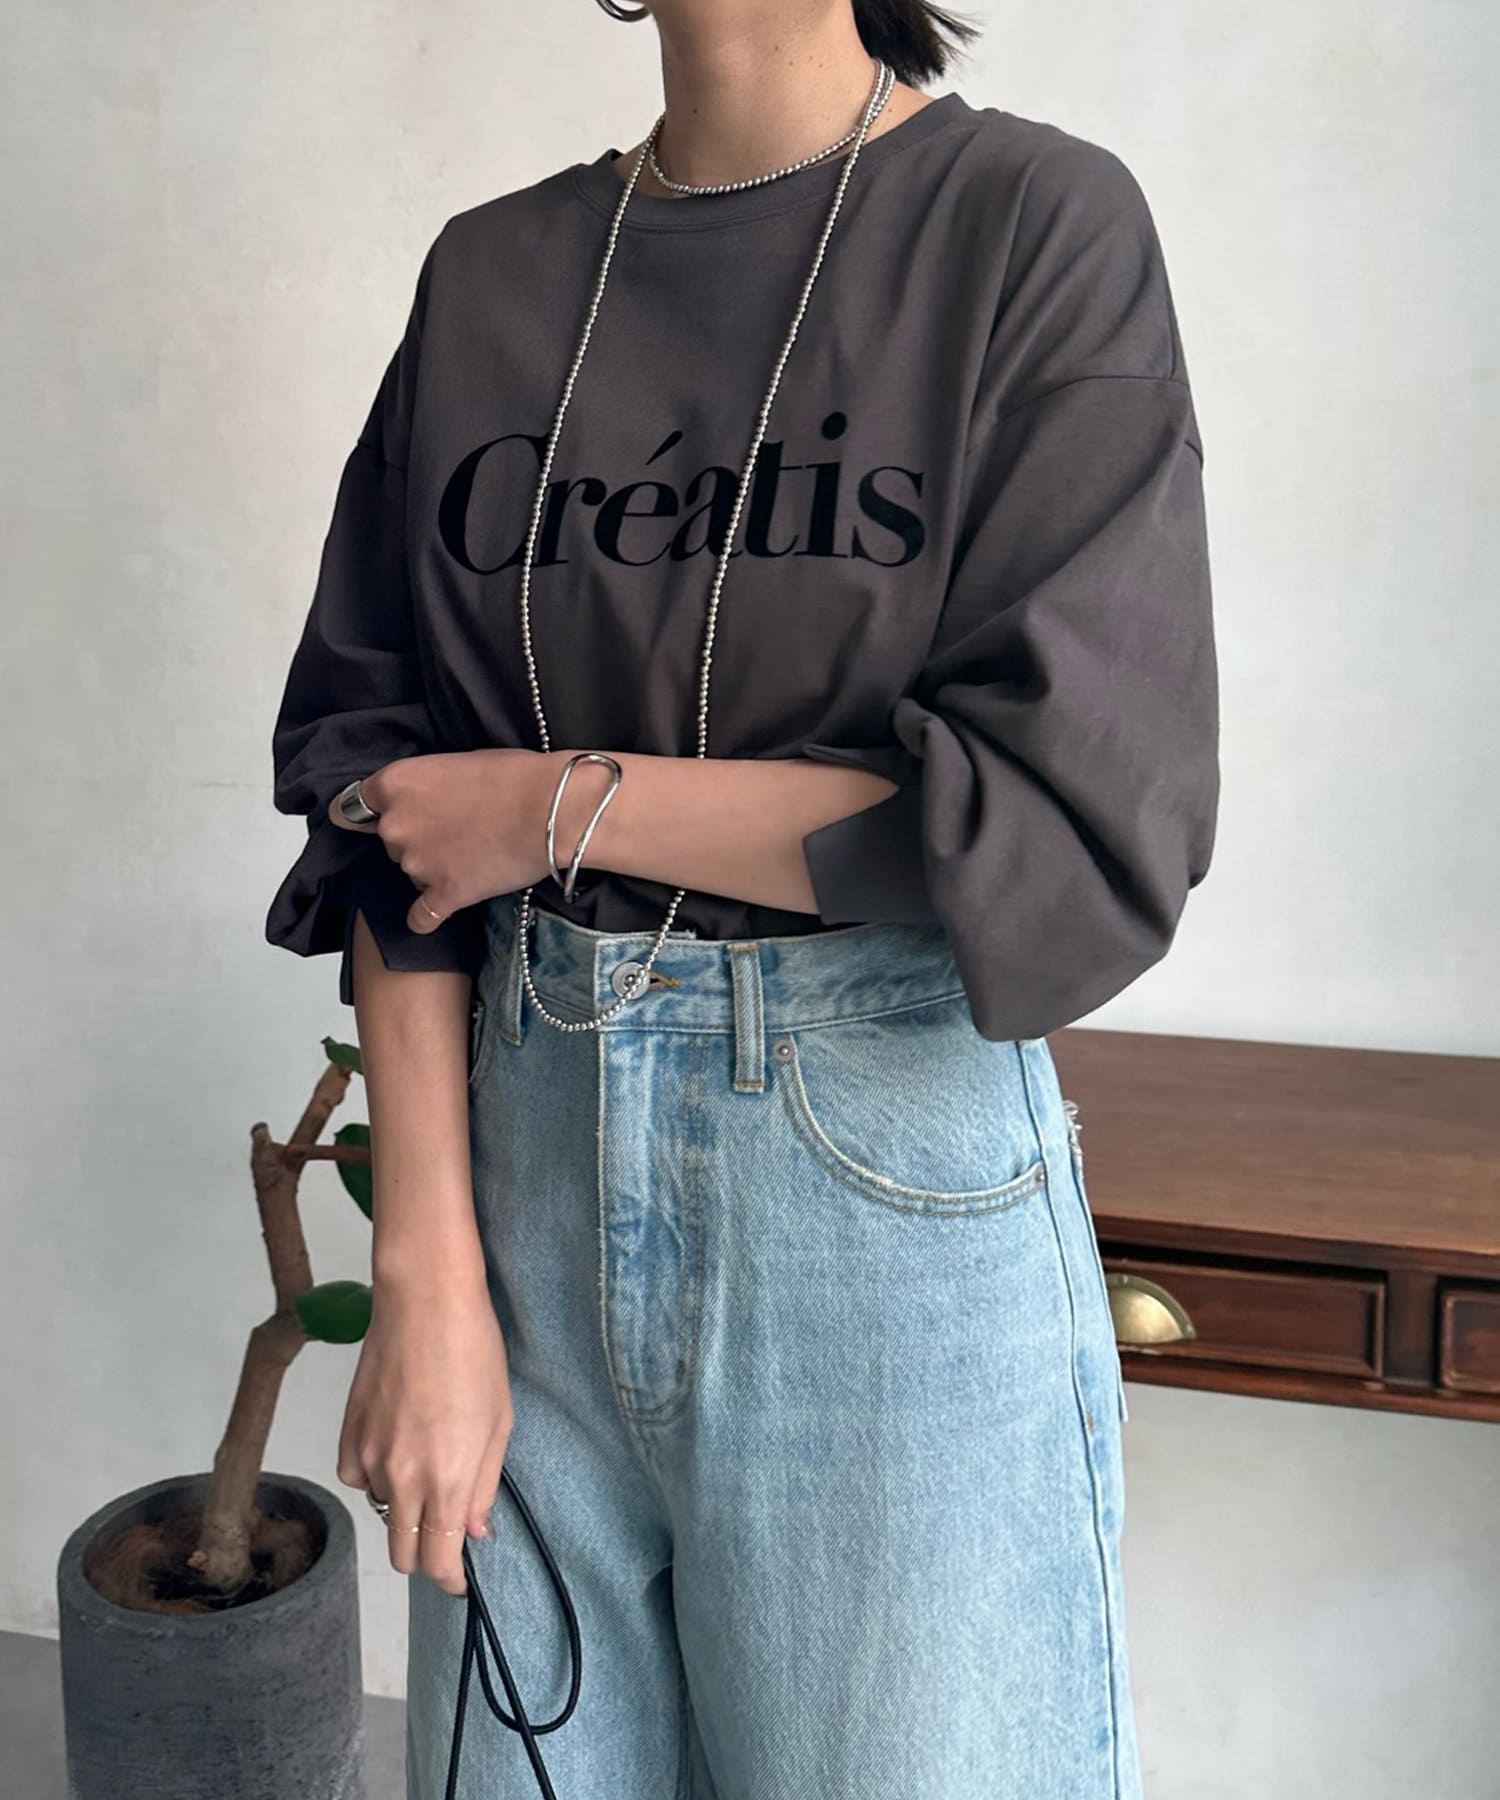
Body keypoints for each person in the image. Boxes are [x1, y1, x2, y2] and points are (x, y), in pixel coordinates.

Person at [265, 2, 1218, 1794]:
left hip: (880, 1197)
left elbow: (1072, 815)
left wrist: (551, 808)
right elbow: (379, 791)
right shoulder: (492, 274)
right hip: (515, 1181)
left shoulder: (1029, 225)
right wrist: (424, 1273)